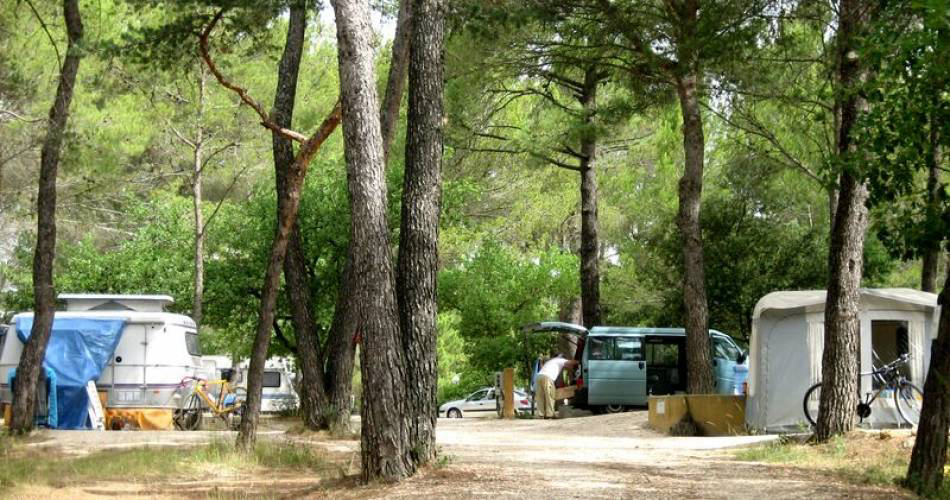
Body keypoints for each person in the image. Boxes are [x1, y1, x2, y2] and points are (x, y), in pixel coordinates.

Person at [535, 353, 578, 419]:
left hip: (539, 377)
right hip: (547, 378)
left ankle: (541, 414)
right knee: (550, 395)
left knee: (540, 396)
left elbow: (567, 367)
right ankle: (550, 414)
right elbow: (571, 362)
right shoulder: (560, 360)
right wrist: (579, 361)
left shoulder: (552, 361)